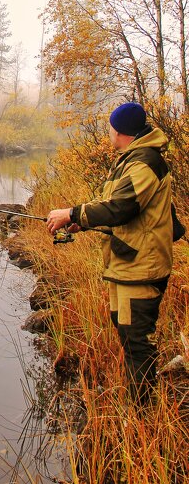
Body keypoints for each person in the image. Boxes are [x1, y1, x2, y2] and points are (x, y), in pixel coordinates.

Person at [46, 102, 173, 405]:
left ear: (121, 131)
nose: (109, 133)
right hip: (127, 264)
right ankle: (140, 403)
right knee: (126, 330)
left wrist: (72, 212)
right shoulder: (131, 159)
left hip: (141, 266)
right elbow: (116, 207)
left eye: (111, 128)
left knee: (136, 340)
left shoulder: (143, 162)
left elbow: (122, 207)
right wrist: (79, 221)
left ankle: (142, 411)